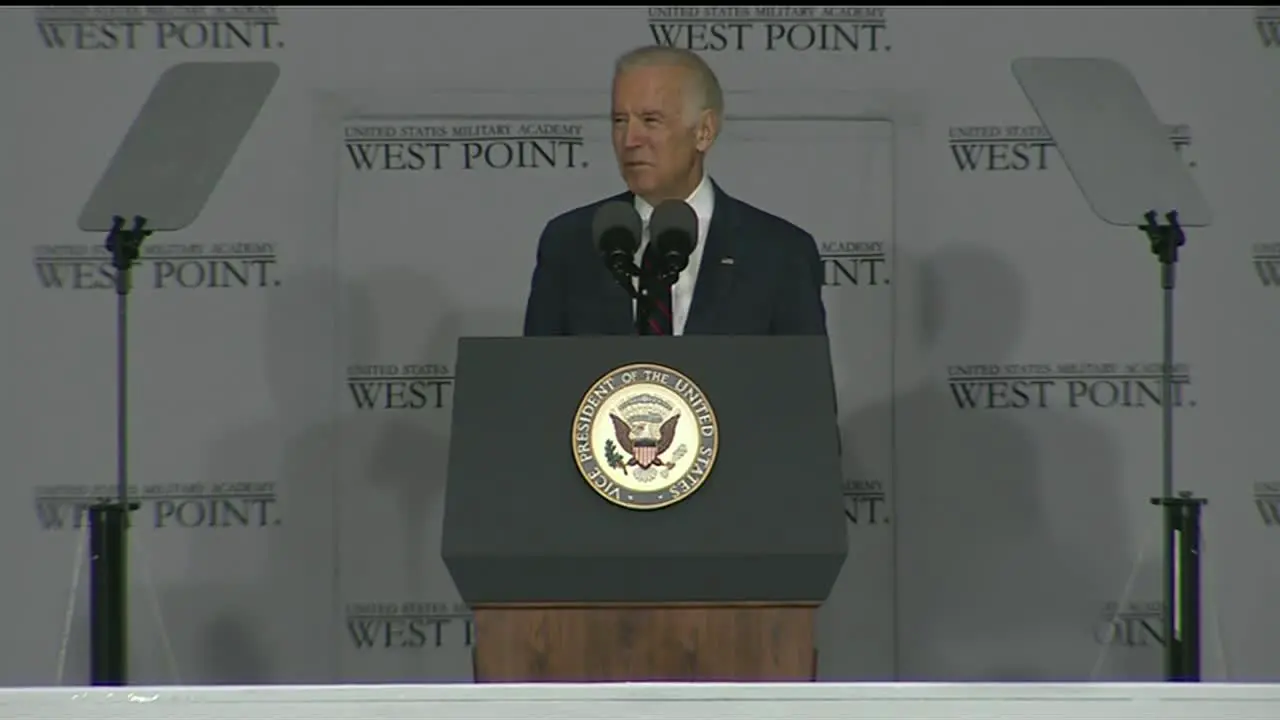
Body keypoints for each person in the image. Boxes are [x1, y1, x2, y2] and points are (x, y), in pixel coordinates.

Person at [521, 45, 827, 337]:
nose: (629, 140)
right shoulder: (570, 243)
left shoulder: (779, 254)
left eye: (651, 120)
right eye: (619, 121)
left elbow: (802, 385)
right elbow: (541, 378)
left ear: (704, 131)